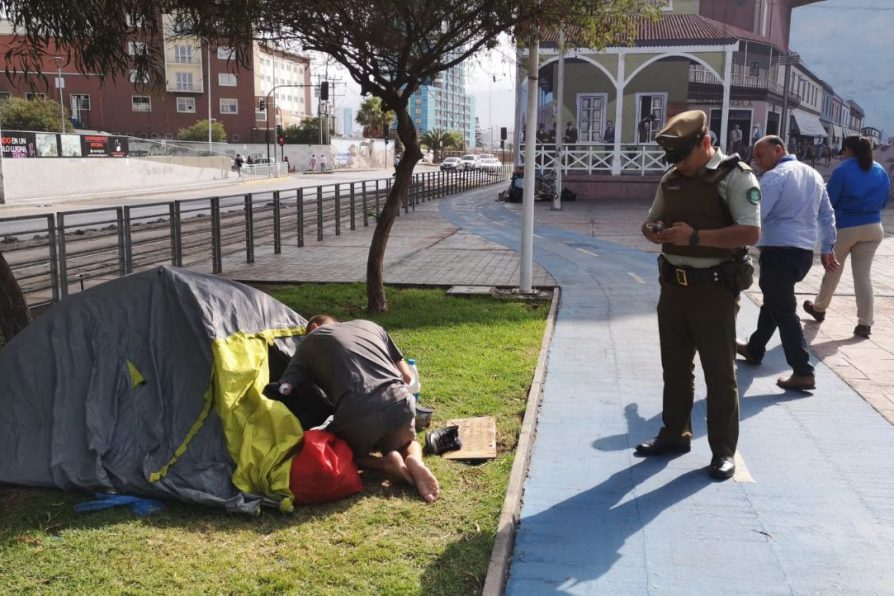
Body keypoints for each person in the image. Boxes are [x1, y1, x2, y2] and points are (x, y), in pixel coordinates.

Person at [638, 110, 761, 481]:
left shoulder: (735, 177)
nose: (681, 167)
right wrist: (655, 231)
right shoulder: (672, 177)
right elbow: (649, 220)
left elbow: (750, 233)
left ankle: (724, 451)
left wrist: (694, 238)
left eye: (685, 157)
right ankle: (674, 433)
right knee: (674, 368)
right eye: (674, 160)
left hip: (714, 290)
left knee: (719, 373)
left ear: (705, 143)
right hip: (673, 288)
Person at [277, 315, 440, 503]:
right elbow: (407, 376)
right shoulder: (370, 325)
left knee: (340, 452)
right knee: (407, 442)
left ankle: (385, 464)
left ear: (314, 326)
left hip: (357, 413)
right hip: (400, 403)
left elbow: (286, 388)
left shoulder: (311, 339)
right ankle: (414, 460)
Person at [736, 136, 838, 391]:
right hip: (803, 254)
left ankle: (803, 370)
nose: (757, 162)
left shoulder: (775, 177)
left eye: (760, 155)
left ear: (778, 150)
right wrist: (827, 247)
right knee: (774, 301)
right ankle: (755, 349)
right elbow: (827, 214)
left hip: (779, 252)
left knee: (783, 310)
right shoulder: (813, 175)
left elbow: (756, 215)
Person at [803, 135, 890, 338]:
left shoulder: (843, 170)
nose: (842, 154)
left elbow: (829, 200)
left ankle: (819, 308)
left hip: (846, 227)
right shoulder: (880, 170)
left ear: (848, 150)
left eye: (843, 150)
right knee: (863, 276)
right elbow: (884, 200)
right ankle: (865, 324)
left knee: (833, 269)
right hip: (874, 226)